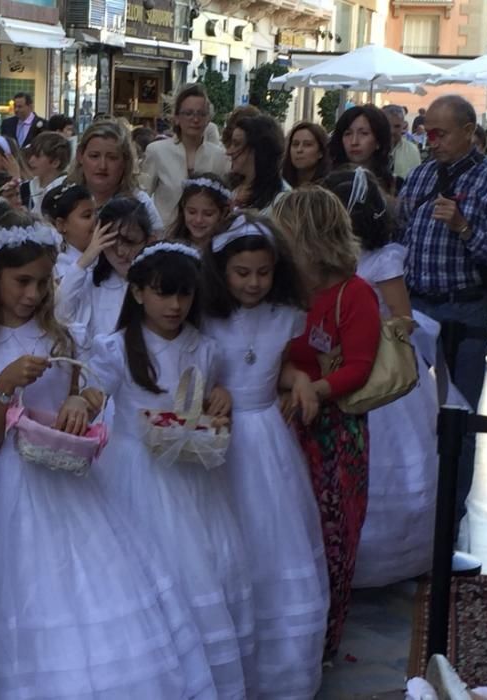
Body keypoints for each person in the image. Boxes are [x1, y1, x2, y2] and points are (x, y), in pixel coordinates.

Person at [0, 211, 216, 697]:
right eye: (21, 282)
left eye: (42, 283)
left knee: (85, 592)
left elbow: (89, 393)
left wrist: (79, 403)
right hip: (6, 488)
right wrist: (1, 389)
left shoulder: (63, 337)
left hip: (70, 481)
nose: (33, 295)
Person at [88, 241, 257, 696]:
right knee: (141, 569)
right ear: (139, 293)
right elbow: (94, 393)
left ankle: (199, 666)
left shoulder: (204, 348)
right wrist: (78, 400)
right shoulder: (114, 347)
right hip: (131, 471)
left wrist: (220, 397)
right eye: (164, 294)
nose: (176, 305)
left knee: (197, 566)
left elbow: (203, 403)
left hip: (189, 474)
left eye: (184, 295)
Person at [201, 212, 329, 698]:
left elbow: (286, 367)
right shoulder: (205, 315)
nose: (254, 282)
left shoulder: (284, 315)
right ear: (221, 271)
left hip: (268, 441)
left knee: (273, 537)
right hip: (221, 438)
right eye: (242, 273)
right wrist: (215, 391)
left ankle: (281, 669)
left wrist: (300, 383)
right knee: (227, 538)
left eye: (263, 272)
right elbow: (195, 370)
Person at [398, 94, 487, 542]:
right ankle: (412, 514)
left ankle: (449, 520)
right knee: (407, 411)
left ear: (469, 132)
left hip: (463, 310)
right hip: (415, 306)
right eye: (427, 130)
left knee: (458, 418)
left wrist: (463, 227)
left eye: (440, 132)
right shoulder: (422, 174)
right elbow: (400, 233)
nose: (431, 141)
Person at [273, 186, 382, 661]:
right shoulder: (281, 290)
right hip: (282, 424)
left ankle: (324, 636)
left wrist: (311, 390)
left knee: (332, 533)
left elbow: (357, 366)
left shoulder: (353, 293)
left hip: (333, 432)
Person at [323, 167, 440, 588]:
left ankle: (386, 558)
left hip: (377, 371)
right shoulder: (325, 257)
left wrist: (363, 327)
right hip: (334, 362)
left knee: (387, 459)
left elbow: (402, 317)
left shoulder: (383, 258)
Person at [56, 196, 154, 354]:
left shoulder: (156, 284)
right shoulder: (92, 281)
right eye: (110, 244)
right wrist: (85, 260)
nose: (121, 252)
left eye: (129, 242)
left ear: (148, 240)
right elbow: (60, 315)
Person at [140, 83, 229, 227]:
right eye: (188, 113)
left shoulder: (220, 156)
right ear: (176, 118)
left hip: (206, 239)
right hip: (165, 238)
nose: (195, 119)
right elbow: (142, 198)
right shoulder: (157, 151)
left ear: (208, 119)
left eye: (201, 113)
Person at [67, 120, 164, 232]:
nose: (102, 166)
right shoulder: (60, 190)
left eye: (112, 158)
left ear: (125, 161)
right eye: (94, 156)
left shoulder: (140, 202)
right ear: (80, 156)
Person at [226, 115, 290, 214]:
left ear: (258, 149)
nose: (229, 151)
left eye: (237, 144)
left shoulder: (282, 198)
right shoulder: (231, 188)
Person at [330, 104, 398, 195]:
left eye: (364, 133)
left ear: (378, 141)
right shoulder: (327, 183)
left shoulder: (395, 185)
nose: (354, 142)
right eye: (348, 134)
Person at [41, 181, 96, 279]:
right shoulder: (61, 267)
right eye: (87, 216)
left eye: (96, 213)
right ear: (61, 225)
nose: (96, 220)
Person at [166, 173, 232, 250]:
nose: (198, 220)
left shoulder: (227, 250)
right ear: (183, 208)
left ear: (223, 213)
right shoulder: (171, 247)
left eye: (208, 214)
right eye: (192, 212)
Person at [23, 131, 70, 213]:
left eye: (38, 156)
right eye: (31, 155)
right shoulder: (24, 189)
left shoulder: (67, 191)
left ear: (55, 162)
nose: (31, 161)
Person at [282, 121, 331, 188]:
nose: (299, 150)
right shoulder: (281, 183)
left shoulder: (331, 185)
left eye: (307, 145)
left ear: (321, 152)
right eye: (295, 144)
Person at [384, 104, 422, 180]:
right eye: (387, 126)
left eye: (397, 126)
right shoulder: (370, 148)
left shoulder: (412, 150)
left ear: (403, 126)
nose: (392, 131)